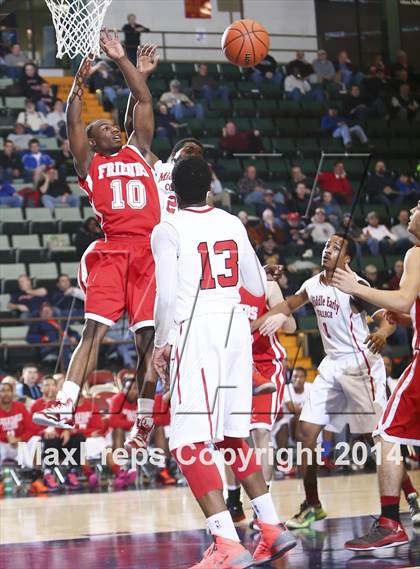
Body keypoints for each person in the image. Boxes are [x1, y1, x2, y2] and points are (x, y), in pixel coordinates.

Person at [151, 155, 296, 567]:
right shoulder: (232, 222)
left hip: (196, 331)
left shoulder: (168, 228)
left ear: (173, 193)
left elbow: (164, 297)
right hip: (236, 331)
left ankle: (227, 542)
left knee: (185, 440)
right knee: (234, 434)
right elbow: (254, 282)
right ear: (210, 189)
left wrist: (161, 343)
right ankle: (270, 527)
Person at [32, 32, 161, 451]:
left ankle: (144, 421)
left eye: (114, 125)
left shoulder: (140, 149)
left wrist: (123, 59)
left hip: (148, 251)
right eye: (104, 128)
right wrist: (76, 87)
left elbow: (142, 101)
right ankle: (66, 402)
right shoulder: (89, 163)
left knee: (147, 341)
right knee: (94, 332)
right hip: (112, 249)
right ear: (92, 142)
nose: (113, 130)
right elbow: (72, 121)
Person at [253, 234, 394, 529]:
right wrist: (253, 324)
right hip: (331, 364)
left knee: (375, 437)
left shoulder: (356, 285)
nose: (327, 250)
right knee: (305, 433)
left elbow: (388, 317)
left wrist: (382, 332)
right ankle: (312, 505)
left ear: (347, 259)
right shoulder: (313, 283)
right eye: (326, 245)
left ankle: (410, 497)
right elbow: (291, 303)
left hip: (359, 363)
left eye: (335, 247)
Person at [332, 201, 420, 549]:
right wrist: (410, 318)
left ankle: (390, 523)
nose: (412, 209)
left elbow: (401, 297)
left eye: (418, 206)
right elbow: (405, 305)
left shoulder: (416, 253)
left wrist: (356, 287)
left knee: (385, 434)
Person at [226, 265, 296, 525]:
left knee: (260, 432)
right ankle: (233, 501)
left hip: (266, 365)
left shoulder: (268, 286)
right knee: (230, 435)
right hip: (234, 366)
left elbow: (290, 326)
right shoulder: (221, 288)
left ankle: (262, 506)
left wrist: (281, 317)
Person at [27, 302, 80, 368]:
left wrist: (73, 337)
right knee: (64, 342)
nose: (47, 313)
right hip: (48, 346)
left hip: (63, 344)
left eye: (48, 311)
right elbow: (29, 337)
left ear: (52, 312)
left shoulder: (59, 321)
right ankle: (66, 368)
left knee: (66, 342)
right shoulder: (37, 323)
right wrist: (43, 338)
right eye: (45, 312)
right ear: (40, 313)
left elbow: (73, 332)